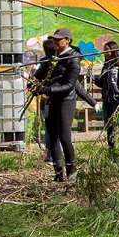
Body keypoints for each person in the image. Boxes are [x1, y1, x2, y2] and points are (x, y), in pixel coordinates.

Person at [33, 28, 82, 182]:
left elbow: (68, 86)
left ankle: (72, 171)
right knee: (52, 136)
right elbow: (39, 75)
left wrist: (46, 89)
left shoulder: (73, 59)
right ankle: (58, 173)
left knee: (64, 136)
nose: (54, 42)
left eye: (58, 39)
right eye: (53, 39)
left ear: (67, 40)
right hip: (51, 101)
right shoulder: (51, 56)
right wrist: (35, 85)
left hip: (66, 100)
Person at [96, 40, 119, 148]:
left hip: (118, 101)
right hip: (107, 101)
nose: (105, 53)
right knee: (109, 127)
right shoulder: (106, 66)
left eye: (107, 51)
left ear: (114, 51)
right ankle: (112, 150)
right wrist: (94, 79)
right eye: (104, 51)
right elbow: (102, 84)